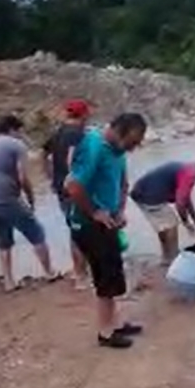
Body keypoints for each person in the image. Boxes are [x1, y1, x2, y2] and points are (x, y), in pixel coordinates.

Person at [64, 112, 148, 349]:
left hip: (108, 222)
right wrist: (94, 212)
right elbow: (72, 186)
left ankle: (116, 323)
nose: (133, 148)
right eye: (132, 142)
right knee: (104, 280)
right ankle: (105, 333)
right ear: (118, 131)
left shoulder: (118, 152)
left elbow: (123, 184)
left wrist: (120, 210)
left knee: (113, 275)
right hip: (89, 224)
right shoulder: (93, 147)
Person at [0, 114, 59, 292]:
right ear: (13, 130)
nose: (22, 134)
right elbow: (22, 176)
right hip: (4, 197)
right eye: (20, 130)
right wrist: (30, 197)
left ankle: (8, 281)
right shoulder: (16, 144)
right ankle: (49, 272)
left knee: (4, 240)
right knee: (36, 232)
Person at [130, 158, 195, 264]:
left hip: (140, 192)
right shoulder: (191, 174)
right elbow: (180, 203)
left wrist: (194, 216)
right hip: (149, 197)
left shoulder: (189, 168)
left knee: (164, 225)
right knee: (172, 225)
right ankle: (173, 258)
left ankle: (166, 256)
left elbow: (186, 196)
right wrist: (186, 222)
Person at [41, 99, 90, 286]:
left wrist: (50, 177)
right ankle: (81, 275)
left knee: (75, 228)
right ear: (84, 114)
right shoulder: (77, 134)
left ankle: (81, 271)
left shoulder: (59, 132)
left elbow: (43, 153)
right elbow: (73, 160)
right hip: (74, 189)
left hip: (61, 188)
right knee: (79, 230)